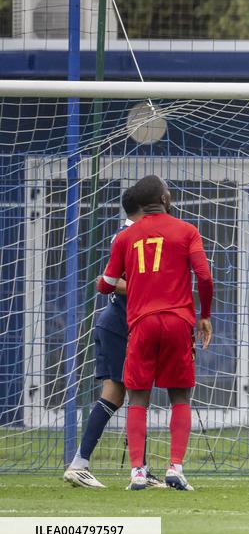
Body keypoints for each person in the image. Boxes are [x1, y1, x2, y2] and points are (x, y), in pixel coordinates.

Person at [97, 175, 214, 492]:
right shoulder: (187, 231)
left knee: (137, 397)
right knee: (180, 396)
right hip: (178, 321)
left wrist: (136, 283)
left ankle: (137, 472)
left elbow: (104, 284)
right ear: (164, 199)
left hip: (142, 323)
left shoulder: (126, 236)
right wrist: (204, 316)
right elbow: (204, 276)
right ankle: (175, 468)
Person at [63, 188, 165, 489]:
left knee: (126, 395)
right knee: (129, 394)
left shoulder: (144, 233)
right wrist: (150, 291)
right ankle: (85, 464)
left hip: (124, 325)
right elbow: (109, 281)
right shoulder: (127, 235)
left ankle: (92, 464)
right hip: (119, 325)